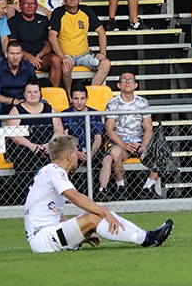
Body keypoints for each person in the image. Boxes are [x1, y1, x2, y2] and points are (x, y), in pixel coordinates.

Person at [22, 134, 173, 253]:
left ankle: (146, 234)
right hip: (42, 238)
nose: (78, 155)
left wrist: (78, 234)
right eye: (76, 152)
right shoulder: (54, 172)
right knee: (94, 215)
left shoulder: (49, 171)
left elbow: (55, 213)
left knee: (99, 213)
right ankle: (145, 240)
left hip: (46, 235)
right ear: (69, 156)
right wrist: (102, 212)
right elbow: (75, 197)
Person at [99, 72, 159, 201]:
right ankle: (121, 187)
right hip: (121, 143)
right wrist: (125, 145)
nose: (127, 82)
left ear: (136, 85)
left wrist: (143, 144)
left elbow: (149, 127)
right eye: (124, 80)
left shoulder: (143, 103)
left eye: (130, 80)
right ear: (119, 85)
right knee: (114, 154)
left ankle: (148, 187)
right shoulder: (113, 103)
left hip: (139, 142)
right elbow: (109, 129)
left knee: (161, 152)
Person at [49, 0, 110, 90]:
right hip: (67, 55)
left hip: (84, 55)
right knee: (65, 68)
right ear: (64, 0)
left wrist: (103, 53)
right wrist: (63, 57)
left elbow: (101, 32)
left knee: (106, 64)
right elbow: (51, 36)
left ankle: (90, 94)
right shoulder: (58, 12)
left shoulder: (86, 11)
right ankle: (70, 99)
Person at [7, 76, 64, 183]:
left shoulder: (50, 109)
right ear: (24, 94)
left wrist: (51, 144)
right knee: (23, 157)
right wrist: (32, 146)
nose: (32, 94)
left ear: (40, 94)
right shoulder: (16, 110)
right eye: (29, 92)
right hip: (25, 150)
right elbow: (13, 135)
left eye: (35, 92)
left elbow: (58, 128)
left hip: (48, 147)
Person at [7, 0, 61, 88]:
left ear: (37, 6)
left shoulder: (43, 20)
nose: (29, 6)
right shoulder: (13, 22)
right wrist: (29, 57)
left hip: (40, 57)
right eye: (26, 3)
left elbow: (49, 43)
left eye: (32, 3)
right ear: (20, 5)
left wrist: (39, 55)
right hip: (21, 57)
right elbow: (12, 45)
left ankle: (52, 93)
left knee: (56, 60)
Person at [59, 83, 104, 170]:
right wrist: (77, 152)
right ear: (71, 99)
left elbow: (98, 138)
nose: (79, 102)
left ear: (87, 98)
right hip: (72, 151)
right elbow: (65, 137)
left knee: (107, 160)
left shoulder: (95, 114)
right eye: (76, 99)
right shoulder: (65, 114)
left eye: (82, 98)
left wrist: (92, 152)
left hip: (92, 150)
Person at [0, 40, 35, 123]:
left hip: (25, 103)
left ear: (22, 54)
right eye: (12, 54)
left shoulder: (29, 67)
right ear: (6, 54)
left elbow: (35, 89)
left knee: (43, 103)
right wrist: (14, 101)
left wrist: (25, 102)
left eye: (18, 54)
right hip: (5, 104)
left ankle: (37, 135)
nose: (15, 57)